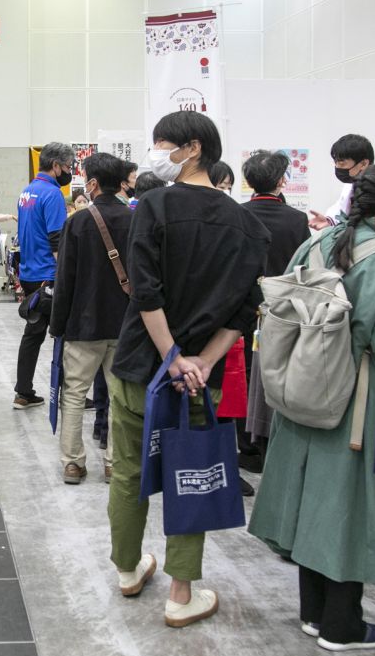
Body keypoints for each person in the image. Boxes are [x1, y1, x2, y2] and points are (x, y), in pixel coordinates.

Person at [248, 164, 375, 652]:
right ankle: (342, 625)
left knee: (306, 498)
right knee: (346, 505)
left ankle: (313, 613)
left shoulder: (316, 241)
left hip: (301, 383)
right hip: (354, 393)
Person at [108, 111, 268, 628]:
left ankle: (129, 571)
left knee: (129, 469)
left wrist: (169, 355)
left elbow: (146, 291)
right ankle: (181, 593)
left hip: (140, 364)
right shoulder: (248, 224)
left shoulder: (151, 207)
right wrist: (199, 361)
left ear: (191, 148)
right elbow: (245, 311)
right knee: (189, 471)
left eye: (162, 144)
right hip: (203, 376)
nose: (155, 153)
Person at [50, 153, 133, 485]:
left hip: (83, 325)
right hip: (124, 324)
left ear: (94, 184)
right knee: (118, 396)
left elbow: (64, 280)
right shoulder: (134, 220)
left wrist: (58, 327)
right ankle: (114, 463)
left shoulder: (78, 222)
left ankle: (73, 462)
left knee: (74, 392)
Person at [240, 150, 312, 471]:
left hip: (243, 310)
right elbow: (305, 270)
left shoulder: (238, 214)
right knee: (279, 376)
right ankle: (273, 443)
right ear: (282, 181)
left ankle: (247, 447)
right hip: (284, 311)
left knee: (242, 378)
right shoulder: (297, 220)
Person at [13, 142, 72, 409]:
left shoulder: (27, 192)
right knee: (66, 334)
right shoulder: (52, 194)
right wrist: (65, 276)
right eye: (68, 167)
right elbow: (57, 239)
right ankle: (68, 394)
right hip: (49, 275)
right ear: (56, 166)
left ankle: (24, 391)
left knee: (33, 333)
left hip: (29, 273)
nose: (68, 172)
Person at [308, 134, 373, 230]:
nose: (337, 167)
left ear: (363, 164)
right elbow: (341, 208)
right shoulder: (351, 185)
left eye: (342, 163)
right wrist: (330, 221)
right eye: (336, 163)